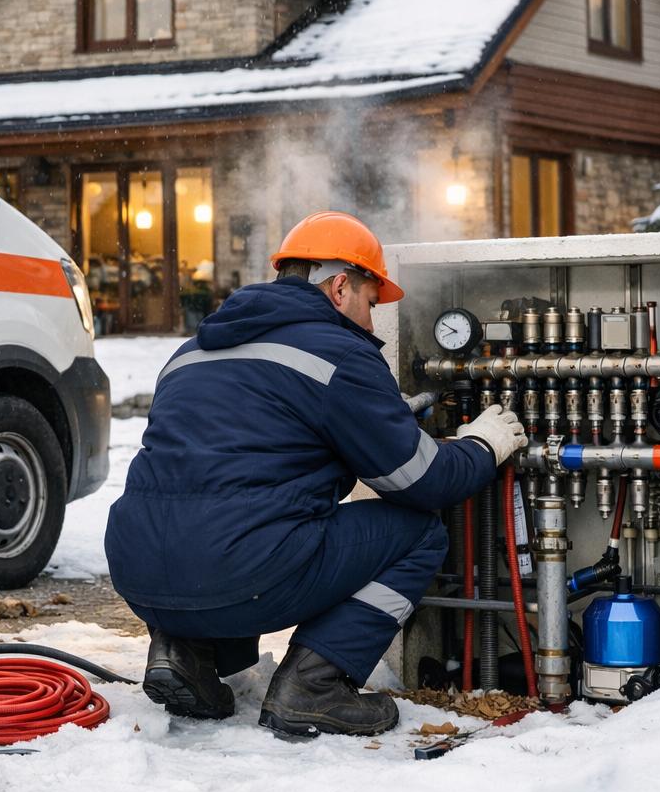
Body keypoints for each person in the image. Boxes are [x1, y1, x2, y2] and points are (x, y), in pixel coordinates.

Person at [104, 211, 526, 739]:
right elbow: (424, 483)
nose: (373, 323)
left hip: (138, 571)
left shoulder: (191, 351)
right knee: (419, 533)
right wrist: (482, 445)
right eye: (372, 304)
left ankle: (181, 651)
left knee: (206, 525)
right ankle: (314, 685)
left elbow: (236, 450)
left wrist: (381, 417)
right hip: (239, 571)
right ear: (341, 286)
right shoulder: (340, 356)